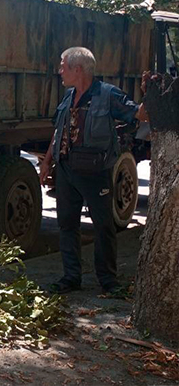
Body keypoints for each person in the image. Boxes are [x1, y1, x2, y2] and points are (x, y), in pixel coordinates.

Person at [39, 48, 147, 296]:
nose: (60, 71)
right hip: (66, 170)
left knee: (104, 226)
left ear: (78, 69)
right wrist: (46, 162)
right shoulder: (68, 96)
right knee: (67, 225)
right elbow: (59, 131)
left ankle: (108, 281)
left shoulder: (108, 95)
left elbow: (139, 114)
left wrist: (151, 92)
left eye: (63, 66)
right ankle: (71, 277)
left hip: (96, 172)